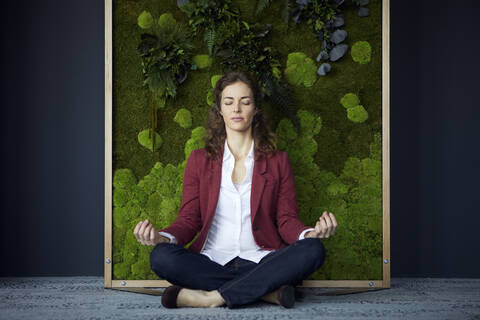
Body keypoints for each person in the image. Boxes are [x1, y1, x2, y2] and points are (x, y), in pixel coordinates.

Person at [133, 70, 338, 309]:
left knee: (312, 250)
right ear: (220, 110)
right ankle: (265, 292)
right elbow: (189, 220)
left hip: (262, 260)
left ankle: (213, 297)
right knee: (161, 257)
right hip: (211, 261)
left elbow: (286, 219)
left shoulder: (278, 161)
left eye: (245, 102)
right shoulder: (199, 160)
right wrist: (161, 237)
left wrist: (309, 234)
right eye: (229, 102)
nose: (237, 109)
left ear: (256, 109)